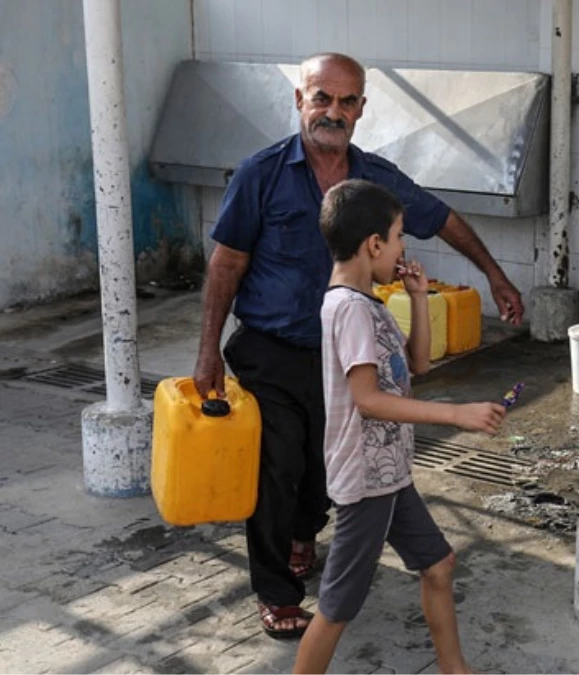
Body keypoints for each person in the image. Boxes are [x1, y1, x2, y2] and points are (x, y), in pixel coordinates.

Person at [192, 52, 523, 637]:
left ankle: (303, 532)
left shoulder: (374, 180)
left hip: (345, 358)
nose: (333, 111)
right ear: (300, 100)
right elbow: (227, 264)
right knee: (278, 465)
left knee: (327, 467)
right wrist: (207, 349)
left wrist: (494, 275)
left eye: (347, 101)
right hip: (272, 350)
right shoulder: (260, 174)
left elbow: (442, 218)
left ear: (362, 109)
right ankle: (276, 590)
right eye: (322, 97)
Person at [294, 179, 503, 674]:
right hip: (367, 482)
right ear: (373, 245)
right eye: (400, 236)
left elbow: (419, 365)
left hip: (389, 474)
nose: (403, 248)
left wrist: (419, 294)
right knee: (336, 608)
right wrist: (457, 415)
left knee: (438, 563)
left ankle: (455, 669)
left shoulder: (371, 304)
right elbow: (368, 400)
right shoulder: (349, 310)